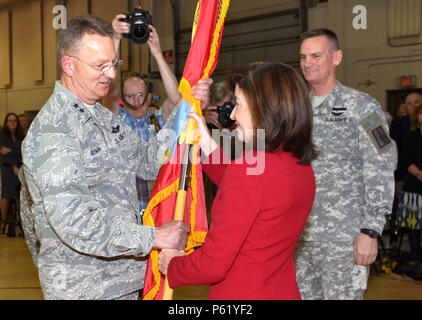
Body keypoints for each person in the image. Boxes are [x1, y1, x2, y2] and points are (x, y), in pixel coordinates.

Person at [19, 15, 210, 300]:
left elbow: (147, 159)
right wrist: (154, 237)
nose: (110, 73)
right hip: (83, 289)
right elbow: (76, 222)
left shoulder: (103, 117)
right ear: (68, 65)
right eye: (100, 66)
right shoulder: (54, 131)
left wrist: (187, 110)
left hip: (123, 281)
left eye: (113, 63)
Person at [158, 62, 317, 300]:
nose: (232, 115)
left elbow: (213, 264)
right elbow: (250, 193)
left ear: (264, 108)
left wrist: (173, 266)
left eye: (238, 105)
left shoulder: (250, 169)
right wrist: (207, 142)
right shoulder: (299, 166)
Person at [294, 28, 395, 300]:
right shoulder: (295, 109)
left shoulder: (363, 107)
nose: (308, 63)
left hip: (344, 239)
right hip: (299, 238)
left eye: (316, 55)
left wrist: (371, 230)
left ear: (336, 57)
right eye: (303, 57)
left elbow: (382, 167)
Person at [110, 15, 183, 213]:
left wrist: (158, 54)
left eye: (140, 95)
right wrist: (116, 38)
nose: (136, 102)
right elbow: (109, 85)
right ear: (122, 99)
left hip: (157, 210)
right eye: (130, 96)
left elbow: (177, 99)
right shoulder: (117, 120)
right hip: (125, 212)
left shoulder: (159, 119)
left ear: (150, 96)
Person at [395, 103, 422, 265]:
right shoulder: (411, 136)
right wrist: (419, 173)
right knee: (413, 224)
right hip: (414, 184)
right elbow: (405, 158)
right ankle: (415, 256)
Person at [390, 93, 422, 200]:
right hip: (403, 175)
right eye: (409, 103)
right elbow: (396, 150)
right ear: (406, 107)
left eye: (416, 102)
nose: (413, 106)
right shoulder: (398, 125)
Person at [0, 113, 24, 237]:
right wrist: (14, 165)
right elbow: (4, 153)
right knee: (6, 195)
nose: (12, 123)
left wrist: (10, 150)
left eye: (14, 120)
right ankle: (4, 223)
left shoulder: (20, 136)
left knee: (19, 196)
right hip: (8, 169)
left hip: (20, 168)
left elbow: (22, 151)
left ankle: (18, 223)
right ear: (6, 122)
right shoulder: (3, 136)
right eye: (10, 120)